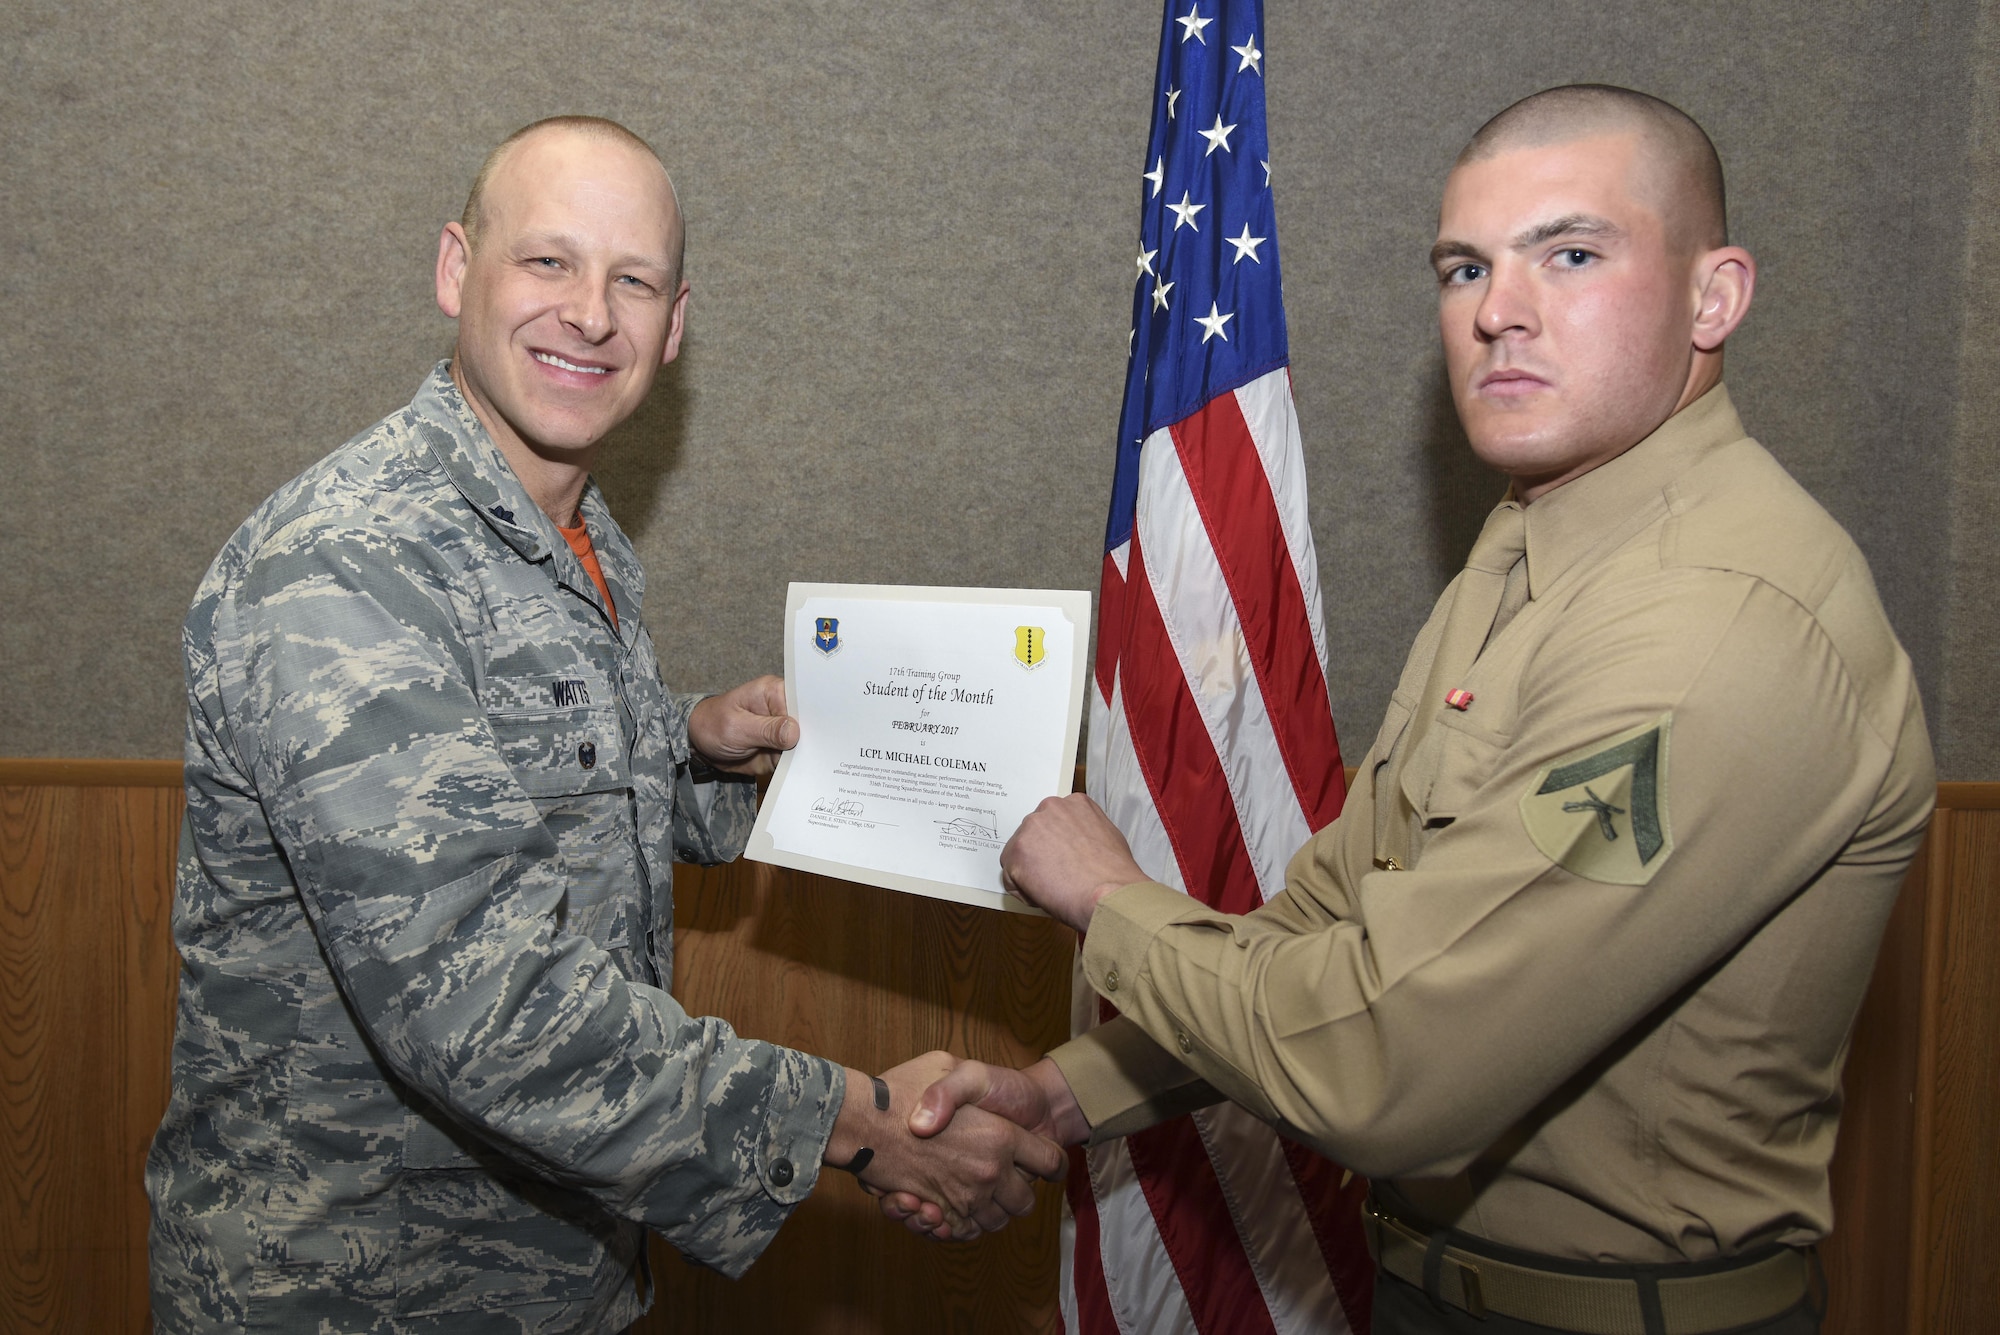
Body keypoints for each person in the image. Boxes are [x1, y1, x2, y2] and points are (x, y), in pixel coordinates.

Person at [891, 86, 1936, 1335]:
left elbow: (1381, 1064)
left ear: (1713, 296)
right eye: (1461, 267)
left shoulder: (1711, 623)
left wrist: (1106, 900)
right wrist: (1066, 1096)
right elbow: (1332, 932)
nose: (1496, 311)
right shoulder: (1527, 551)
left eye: (1571, 253)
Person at [146, 116, 1061, 1335]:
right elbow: (489, 1010)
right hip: (351, 1290)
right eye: (546, 262)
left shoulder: (581, 538)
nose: (589, 314)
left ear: (675, 326)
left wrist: (701, 757)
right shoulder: (346, 569)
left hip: (557, 1272)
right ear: (454, 270)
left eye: (632, 280)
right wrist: (863, 1125)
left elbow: (542, 805)